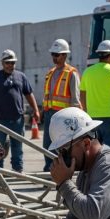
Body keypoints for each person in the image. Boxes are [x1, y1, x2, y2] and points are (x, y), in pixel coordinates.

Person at [0, 49, 40, 173]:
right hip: (0, 121)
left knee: (17, 148)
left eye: (12, 63)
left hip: (17, 120)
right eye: (7, 63)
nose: (10, 65)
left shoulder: (21, 76)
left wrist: (36, 110)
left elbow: (29, 94)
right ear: (2, 63)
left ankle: (17, 170)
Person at [79, 40, 110, 150]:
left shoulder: (88, 71)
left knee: (95, 150)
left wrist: (86, 112)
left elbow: (82, 93)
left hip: (93, 118)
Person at [42, 39, 82, 171]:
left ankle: (63, 172)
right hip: (50, 114)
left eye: (57, 54)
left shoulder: (71, 73)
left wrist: (74, 116)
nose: (54, 57)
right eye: (53, 54)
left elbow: (75, 98)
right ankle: (49, 172)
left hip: (64, 116)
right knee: (48, 145)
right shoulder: (50, 73)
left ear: (65, 55)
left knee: (63, 146)